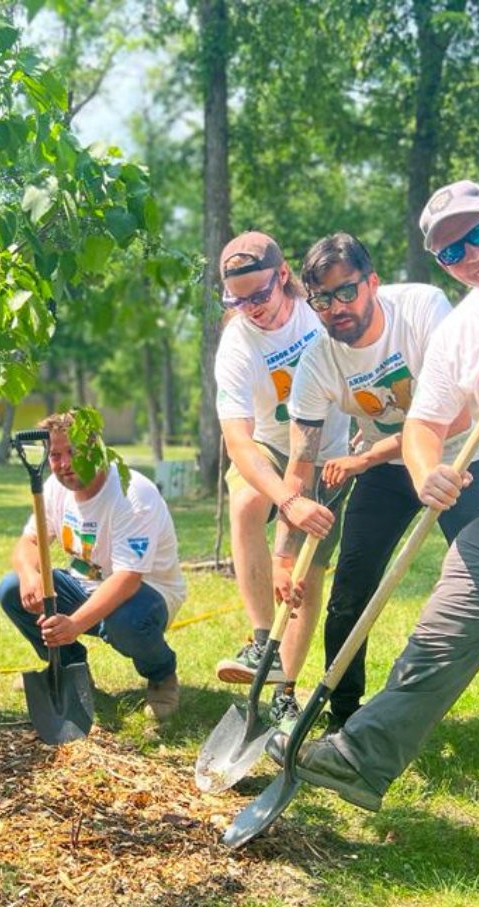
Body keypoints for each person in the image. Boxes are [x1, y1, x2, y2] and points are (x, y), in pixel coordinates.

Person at [281, 180, 479, 811]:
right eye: (450, 251)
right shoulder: (464, 328)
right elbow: (423, 425)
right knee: (436, 641)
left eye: (478, 232)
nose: (470, 253)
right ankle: (359, 757)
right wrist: (422, 471)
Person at [212, 231, 350, 731]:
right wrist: (285, 500)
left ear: (284, 275)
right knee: (247, 502)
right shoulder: (237, 345)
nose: (250, 308)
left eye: (259, 295)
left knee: (305, 574)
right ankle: (258, 641)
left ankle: (286, 690)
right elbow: (239, 443)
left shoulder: (319, 315)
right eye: (238, 299)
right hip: (271, 445)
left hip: (331, 450)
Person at [0, 412, 187, 721]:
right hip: (85, 586)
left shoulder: (132, 494)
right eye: (55, 455)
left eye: (73, 451)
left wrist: (73, 625)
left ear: (96, 448)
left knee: (125, 621)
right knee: (10, 589)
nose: (64, 463)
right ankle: (72, 672)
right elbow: (29, 543)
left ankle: (162, 675)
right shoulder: (55, 489)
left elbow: (127, 580)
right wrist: (29, 574)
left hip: (146, 597)